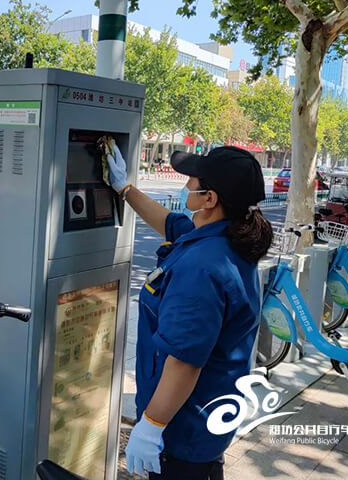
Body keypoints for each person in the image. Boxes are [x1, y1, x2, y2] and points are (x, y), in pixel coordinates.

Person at [105, 145, 273, 480]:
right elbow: (169, 223)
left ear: (209, 198)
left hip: (183, 430)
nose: (185, 187)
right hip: (207, 421)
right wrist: (124, 189)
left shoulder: (202, 268)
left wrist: (151, 426)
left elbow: (184, 361)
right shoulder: (224, 239)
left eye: (192, 181)